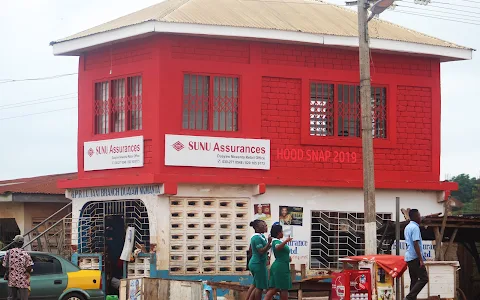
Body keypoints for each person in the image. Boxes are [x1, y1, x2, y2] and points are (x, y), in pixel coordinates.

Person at [404, 209, 428, 300]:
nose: (420, 217)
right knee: (424, 278)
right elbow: (415, 243)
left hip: (409, 257)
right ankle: (409, 297)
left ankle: (411, 298)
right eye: (418, 215)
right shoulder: (415, 228)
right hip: (415, 257)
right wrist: (421, 259)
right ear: (414, 217)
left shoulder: (408, 227)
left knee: (414, 280)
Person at [265, 224, 293, 300]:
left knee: (275, 288)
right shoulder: (275, 241)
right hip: (281, 267)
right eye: (281, 231)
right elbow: (278, 247)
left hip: (281, 266)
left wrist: (288, 257)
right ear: (278, 233)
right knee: (283, 288)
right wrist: (286, 241)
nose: (283, 233)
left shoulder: (278, 241)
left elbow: (281, 252)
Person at [246, 219, 272, 300]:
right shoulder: (256, 238)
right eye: (263, 226)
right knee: (259, 287)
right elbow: (260, 251)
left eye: (265, 225)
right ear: (257, 227)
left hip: (259, 263)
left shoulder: (261, 236)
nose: (265, 227)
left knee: (256, 285)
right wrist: (268, 243)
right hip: (257, 264)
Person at [2, 235, 33, 300]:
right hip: (23, 280)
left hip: (12, 280)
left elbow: (4, 265)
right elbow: (29, 266)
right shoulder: (25, 253)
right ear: (22, 243)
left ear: (14, 243)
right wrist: (27, 272)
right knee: (24, 298)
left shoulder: (8, 252)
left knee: (11, 298)